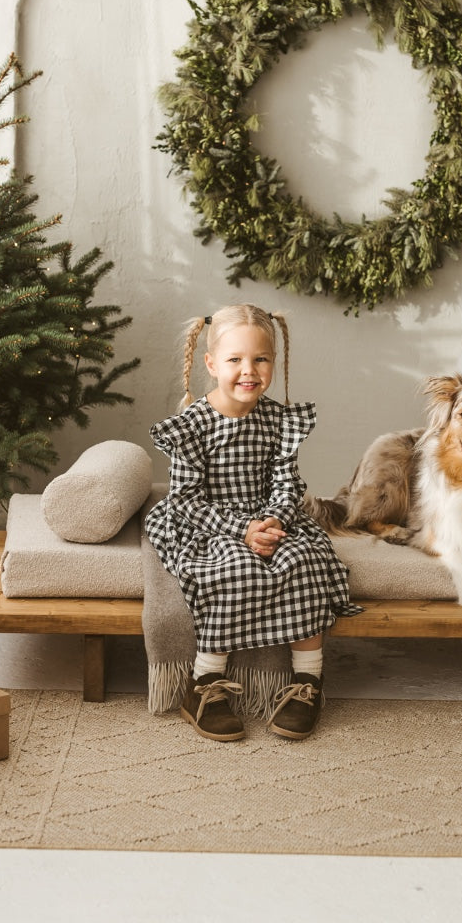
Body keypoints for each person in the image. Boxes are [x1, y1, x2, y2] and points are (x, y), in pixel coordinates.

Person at [145, 304, 361, 742]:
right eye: (235, 360)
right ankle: (204, 685)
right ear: (211, 364)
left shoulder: (279, 422)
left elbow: (287, 484)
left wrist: (274, 521)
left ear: (273, 363)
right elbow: (186, 501)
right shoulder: (192, 427)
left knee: (304, 560)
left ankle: (307, 684)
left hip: (269, 517)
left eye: (260, 359)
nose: (249, 371)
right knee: (233, 568)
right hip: (208, 521)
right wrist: (242, 531)